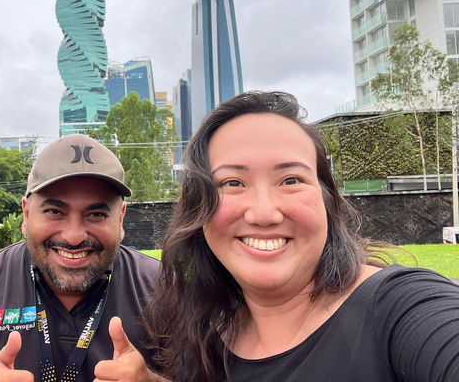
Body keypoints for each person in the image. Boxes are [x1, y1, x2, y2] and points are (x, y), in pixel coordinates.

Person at [143, 91, 459, 382]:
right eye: (232, 183)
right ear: (198, 211)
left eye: (291, 179)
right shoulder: (207, 343)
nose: (264, 214)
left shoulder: (400, 308)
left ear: (327, 199)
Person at [0, 134, 163, 382]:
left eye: (96, 214)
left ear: (121, 218)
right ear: (26, 214)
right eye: (54, 211)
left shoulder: (163, 287)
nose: (72, 237)